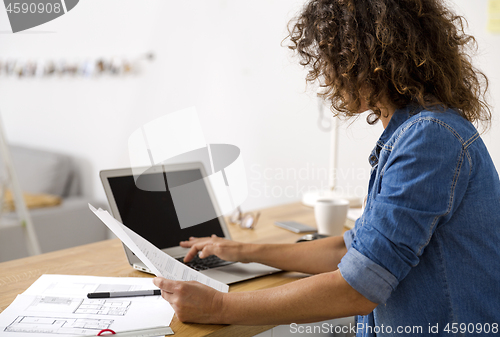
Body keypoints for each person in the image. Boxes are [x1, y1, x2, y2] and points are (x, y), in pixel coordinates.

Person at [153, 0, 500, 334]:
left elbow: (359, 287)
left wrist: (218, 307)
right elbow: (350, 250)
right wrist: (241, 251)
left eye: (332, 56)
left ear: (367, 55)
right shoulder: (420, 132)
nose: (326, 73)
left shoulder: (429, 138)